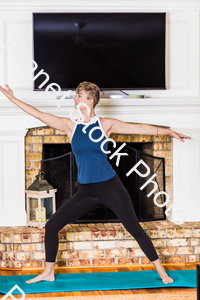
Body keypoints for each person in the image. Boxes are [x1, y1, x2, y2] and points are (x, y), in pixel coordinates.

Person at [0, 81, 191, 285]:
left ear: (90, 100)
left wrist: (168, 132)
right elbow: (38, 115)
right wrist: (12, 99)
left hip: (110, 186)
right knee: (52, 225)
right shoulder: (70, 126)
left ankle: (161, 272)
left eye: (79, 95)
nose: (75, 99)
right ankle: (48, 271)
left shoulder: (105, 124)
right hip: (86, 191)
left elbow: (139, 128)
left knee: (134, 228)